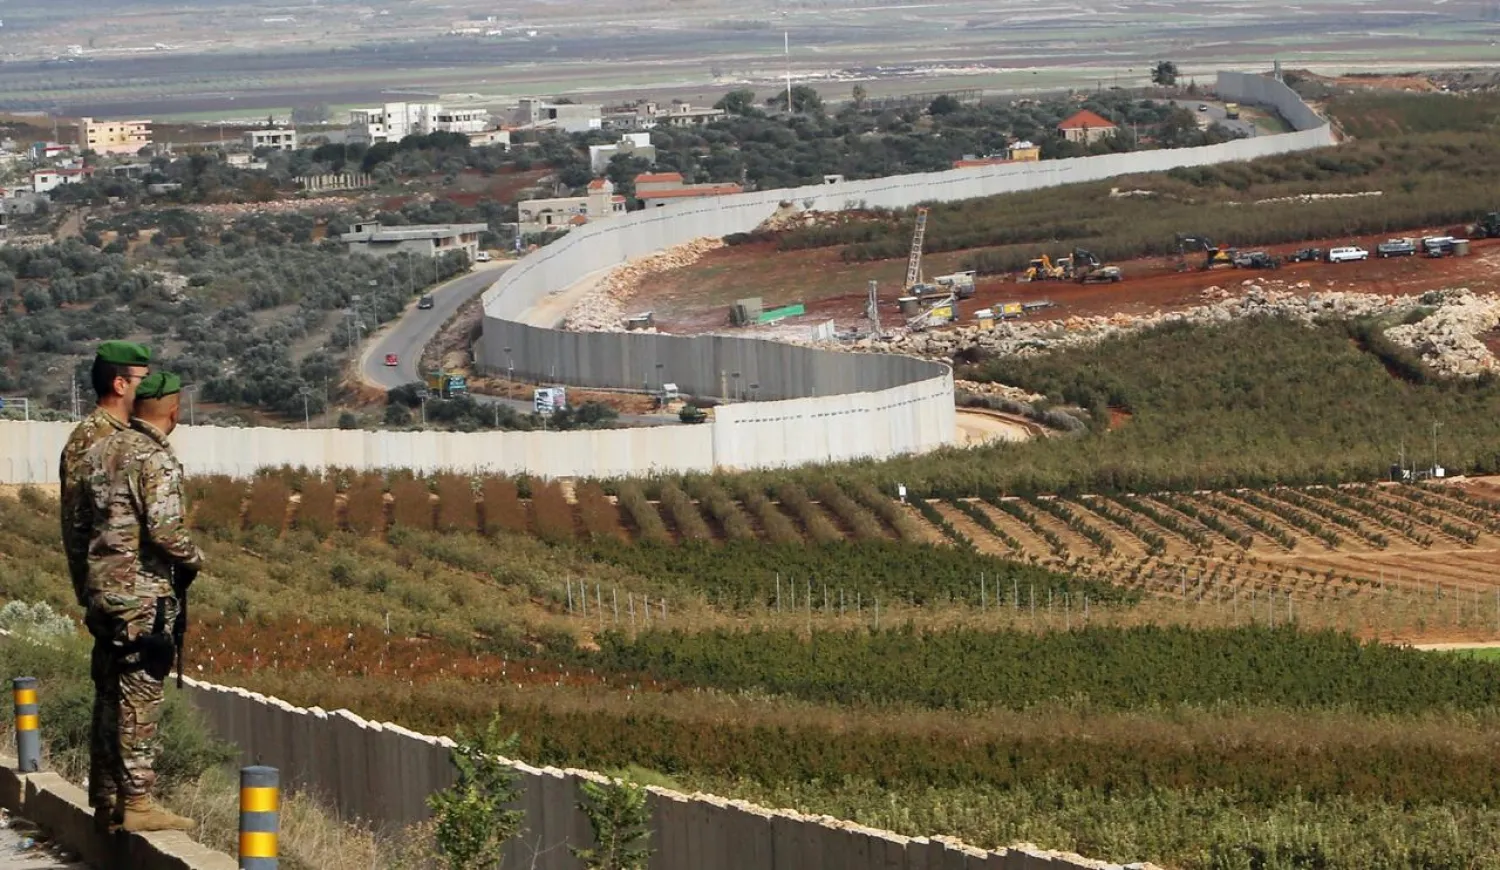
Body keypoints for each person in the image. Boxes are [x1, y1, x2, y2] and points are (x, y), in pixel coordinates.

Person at [83, 371, 202, 834]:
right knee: (140, 697)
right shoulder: (155, 459)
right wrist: (196, 560)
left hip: (104, 591)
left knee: (111, 694)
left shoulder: (101, 450)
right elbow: (167, 533)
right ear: (174, 411)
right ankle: (137, 803)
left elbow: (81, 524)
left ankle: (108, 795)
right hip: (141, 596)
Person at [60, 341, 152, 608]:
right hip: (115, 596)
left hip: (138, 590)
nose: (148, 389)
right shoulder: (90, 439)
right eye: (143, 380)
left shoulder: (130, 433)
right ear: (120, 384)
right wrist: (91, 594)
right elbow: (76, 522)